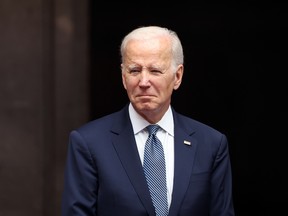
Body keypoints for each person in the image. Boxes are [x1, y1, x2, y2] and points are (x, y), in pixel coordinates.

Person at [61, 25, 235, 216]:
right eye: (134, 70)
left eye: (155, 71)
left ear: (177, 76)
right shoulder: (89, 143)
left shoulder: (210, 144)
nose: (143, 82)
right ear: (123, 76)